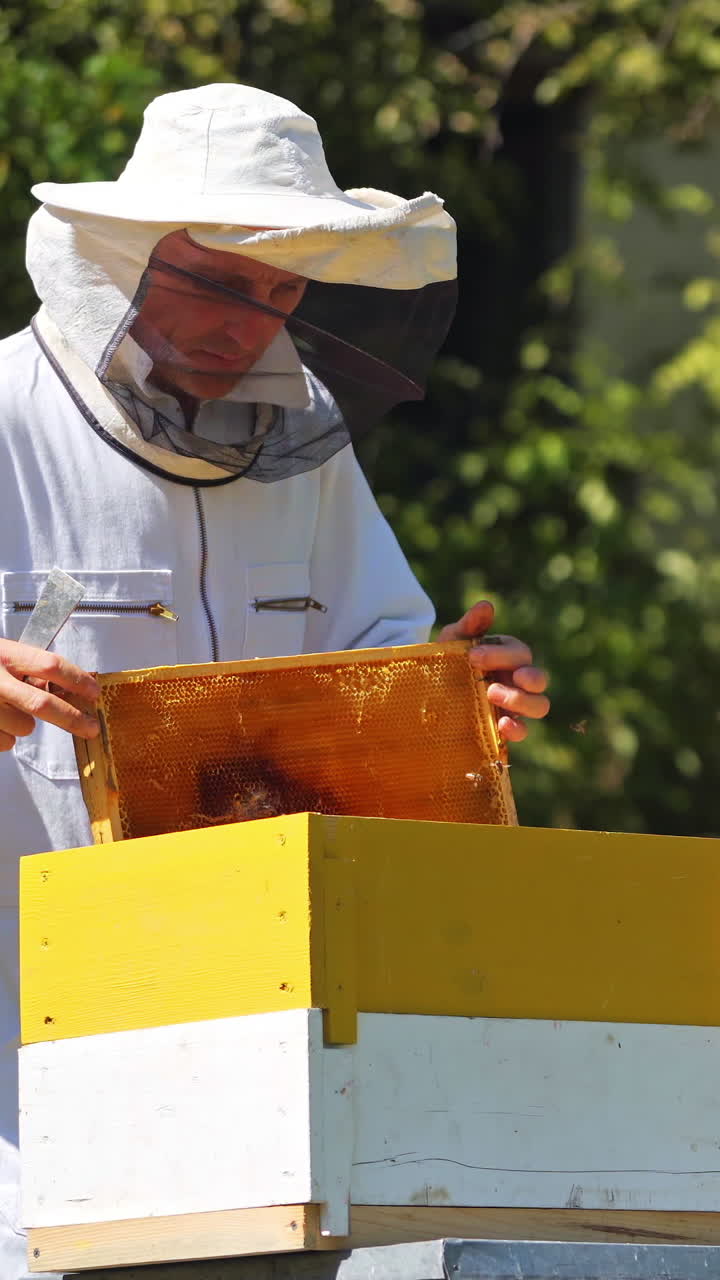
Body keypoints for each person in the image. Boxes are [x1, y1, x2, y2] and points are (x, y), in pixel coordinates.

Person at [0, 84, 549, 1277]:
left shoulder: (301, 449)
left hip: (268, 1045)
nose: (246, 322)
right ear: (124, 253)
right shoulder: (4, 419)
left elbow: (377, 669)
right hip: (24, 1046)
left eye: (281, 290)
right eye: (214, 278)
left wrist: (456, 703)